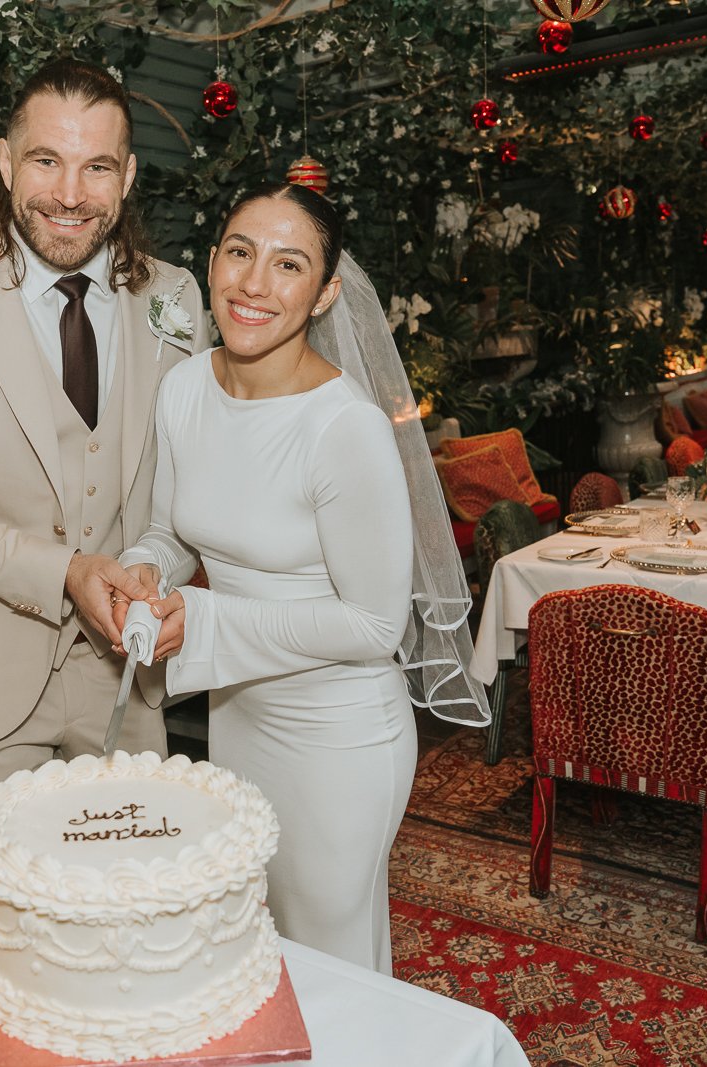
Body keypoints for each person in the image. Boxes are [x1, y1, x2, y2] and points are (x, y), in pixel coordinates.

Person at [0, 59, 205, 921]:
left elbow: (181, 485)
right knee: (17, 923)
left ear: (127, 178)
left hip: (120, 667)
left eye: (97, 166)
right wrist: (62, 570)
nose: (70, 192)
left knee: (140, 899)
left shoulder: (174, 298)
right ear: (8, 164)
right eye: (47, 161)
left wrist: (142, 568)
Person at [118, 183, 489, 973]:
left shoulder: (342, 426)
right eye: (240, 252)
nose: (254, 284)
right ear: (212, 261)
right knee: (256, 949)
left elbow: (374, 624)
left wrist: (207, 621)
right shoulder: (185, 388)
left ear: (323, 294)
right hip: (239, 716)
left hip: (340, 737)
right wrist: (141, 571)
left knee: (334, 965)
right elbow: (170, 531)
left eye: (288, 264)